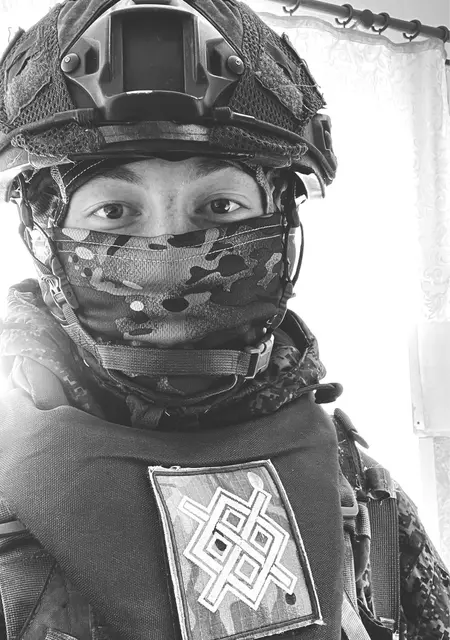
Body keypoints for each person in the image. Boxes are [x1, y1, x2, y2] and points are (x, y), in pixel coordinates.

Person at [0, 0, 447, 639]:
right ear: (44, 236)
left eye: (220, 206)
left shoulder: (362, 494)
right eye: (114, 213)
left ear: (282, 225)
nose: (169, 257)